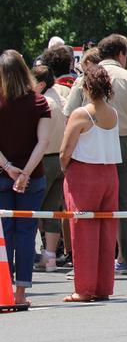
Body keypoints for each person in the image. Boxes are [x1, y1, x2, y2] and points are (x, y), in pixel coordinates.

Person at [64, 34, 127, 278]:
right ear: (122, 54)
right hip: (126, 143)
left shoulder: (84, 79)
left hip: (90, 142)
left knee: (88, 205)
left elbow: (69, 116)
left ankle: (87, 265)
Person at [59, 65, 120, 302]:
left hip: (84, 173)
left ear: (85, 86)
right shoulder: (113, 113)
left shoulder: (81, 114)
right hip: (110, 174)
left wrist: (65, 168)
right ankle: (103, 286)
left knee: (83, 230)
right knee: (106, 230)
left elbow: (66, 150)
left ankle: (84, 289)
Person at [0, 50, 51, 308]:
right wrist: (26, 173)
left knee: (4, 235)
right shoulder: (40, 102)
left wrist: (9, 168)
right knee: (26, 234)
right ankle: (20, 295)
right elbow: (43, 142)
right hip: (33, 177)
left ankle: (4, 292)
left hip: (2, 175)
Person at [30, 66, 67, 272]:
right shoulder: (61, 98)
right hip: (60, 160)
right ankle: (50, 257)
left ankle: (28, 252)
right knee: (53, 210)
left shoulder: (42, 103)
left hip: (43, 160)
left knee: (32, 209)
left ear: (41, 83)